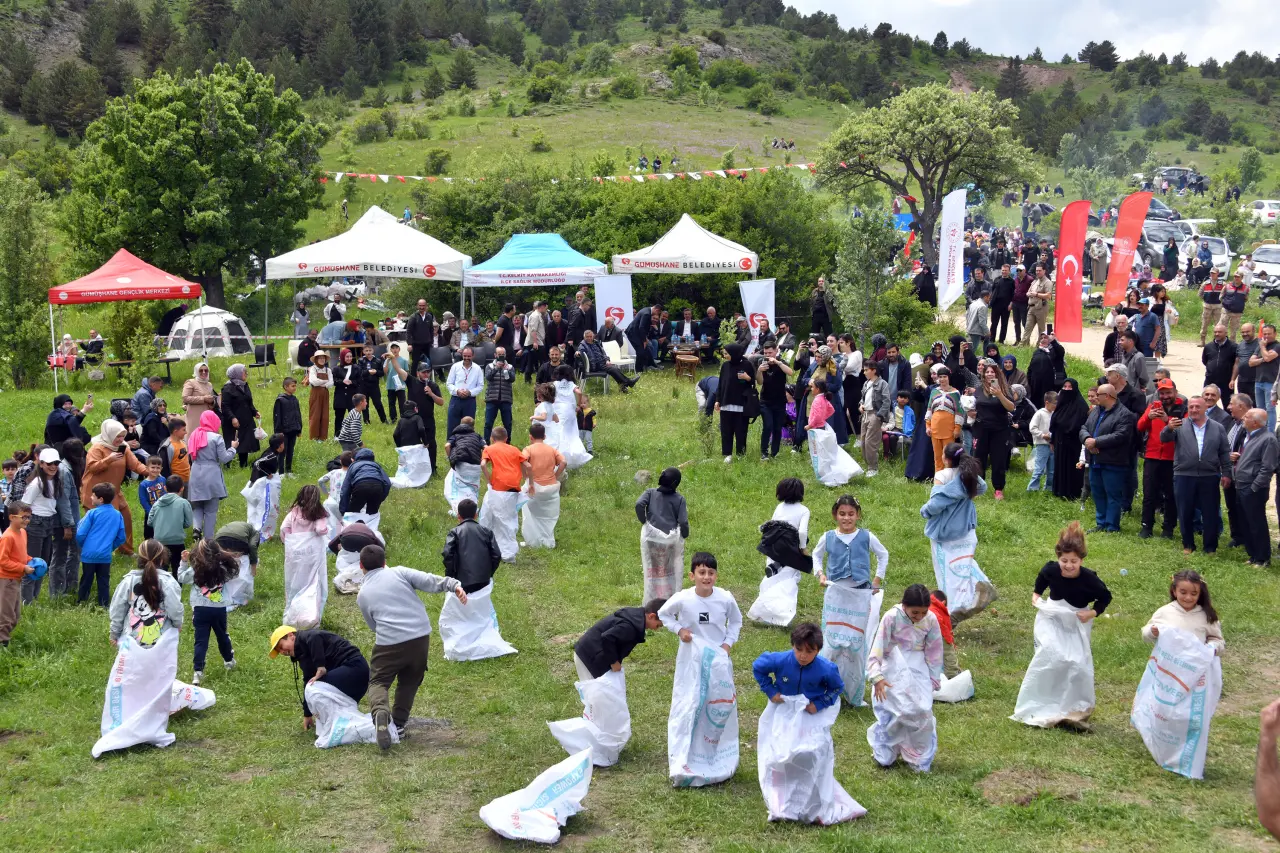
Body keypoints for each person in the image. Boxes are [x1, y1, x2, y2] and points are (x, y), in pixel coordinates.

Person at [356, 543, 466, 748]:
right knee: (409, 681)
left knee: (378, 681)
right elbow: (429, 580)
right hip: (419, 637)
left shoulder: (363, 594)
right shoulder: (399, 572)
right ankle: (398, 725)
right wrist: (453, 585)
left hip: (388, 643)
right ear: (385, 562)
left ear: (361, 565)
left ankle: (380, 712)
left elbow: (373, 626)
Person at [1020, 522, 1111, 730]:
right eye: (1064, 561)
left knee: (1076, 662)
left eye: (1074, 561)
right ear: (1058, 558)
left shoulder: (1090, 580)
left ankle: (1074, 708)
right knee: (1052, 654)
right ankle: (1043, 699)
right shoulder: (1052, 570)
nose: (1069, 566)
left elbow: (1105, 597)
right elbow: (1042, 578)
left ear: (1081, 560)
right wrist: (1036, 594)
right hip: (1053, 617)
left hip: (1076, 620)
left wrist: (1092, 613)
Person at [866, 584, 943, 770]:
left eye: (923, 612)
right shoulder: (892, 617)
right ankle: (886, 749)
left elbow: (934, 650)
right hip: (893, 664)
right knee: (894, 711)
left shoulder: (931, 620)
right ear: (904, 605)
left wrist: (934, 678)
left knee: (921, 710)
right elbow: (878, 648)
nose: (919, 617)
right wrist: (876, 676)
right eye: (915, 612)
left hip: (918, 666)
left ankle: (917, 755)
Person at [1161, 396, 1231, 556]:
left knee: (1210, 512)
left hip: (1209, 475)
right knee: (1185, 511)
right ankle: (1188, 545)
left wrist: (1227, 473)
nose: (1194, 410)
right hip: (1184, 474)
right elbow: (1164, 438)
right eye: (1191, 407)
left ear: (1205, 408)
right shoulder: (1179, 424)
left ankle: (1210, 547)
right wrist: (1168, 428)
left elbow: (1224, 452)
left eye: (1197, 407)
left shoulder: (1218, 427)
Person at [269, 626, 370, 734]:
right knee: (312, 687)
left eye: (281, 646)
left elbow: (315, 636)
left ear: (291, 636)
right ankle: (347, 728)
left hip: (354, 667)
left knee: (315, 688)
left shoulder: (305, 636)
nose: (282, 652)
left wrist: (320, 666)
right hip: (352, 677)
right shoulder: (303, 655)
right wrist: (307, 714)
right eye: (279, 651)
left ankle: (332, 726)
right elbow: (308, 680)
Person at [81, 420, 148, 555]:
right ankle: (98, 551)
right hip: (97, 494)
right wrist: (109, 459)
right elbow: (93, 467)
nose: (121, 439)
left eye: (123, 436)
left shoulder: (123, 448)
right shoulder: (97, 448)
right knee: (102, 524)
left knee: (126, 517)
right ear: (109, 435)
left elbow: (135, 464)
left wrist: (149, 472)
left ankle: (125, 550)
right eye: (118, 436)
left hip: (114, 491)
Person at [179, 538, 241, 684]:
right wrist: (225, 558)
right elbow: (235, 574)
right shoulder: (222, 568)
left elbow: (181, 578)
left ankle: (198, 672)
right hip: (219, 609)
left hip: (200, 610)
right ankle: (229, 661)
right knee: (222, 635)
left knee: (201, 641)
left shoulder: (195, 569)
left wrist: (184, 562)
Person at [659, 551, 742, 654]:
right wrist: (679, 630)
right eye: (702, 573)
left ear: (716, 576)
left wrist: (727, 643)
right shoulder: (682, 598)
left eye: (711, 573)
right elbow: (663, 614)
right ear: (692, 576)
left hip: (718, 653)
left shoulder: (725, 598)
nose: (707, 577)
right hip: (690, 654)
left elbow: (736, 621)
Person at [1080, 383, 1136, 533]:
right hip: (1095, 460)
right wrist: (1087, 439)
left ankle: (1112, 526)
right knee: (1098, 493)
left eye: (1098, 394)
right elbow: (1084, 427)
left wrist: (1097, 442)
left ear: (1107, 396)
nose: (1095, 397)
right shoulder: (1096, 411)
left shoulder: (1124, 414)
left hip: (1113, 461)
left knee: (1112, 494)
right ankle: (1101, 522)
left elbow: (1121, 435)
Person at [753, 622, 844, 713]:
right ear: (793, 645)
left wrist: (820, 703)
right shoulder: (780, 660)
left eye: (809, 651)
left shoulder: (827, 669)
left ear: (818, 650)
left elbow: (837, 687)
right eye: (799, 649)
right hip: (782, 706)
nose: (803, 656)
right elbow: (758, 667)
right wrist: (770, 691)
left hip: (810, 710)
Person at [1136, 380, 1185, 539]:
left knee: (1171, 494)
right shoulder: (1153, 406)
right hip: (1153, 456)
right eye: (1162, 393)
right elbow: (1140, 426)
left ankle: (1168, 528)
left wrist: (1166, 419)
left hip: (1173, 458)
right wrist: (1148, 417)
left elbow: (1185, 431)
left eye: (1168, 392)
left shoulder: (1183, 408)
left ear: (1175, 392)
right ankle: (1146, 526)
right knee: (1149, 493)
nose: (1165, 396)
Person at [572, 599, 666, 682]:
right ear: (651, 616)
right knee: (594, 692)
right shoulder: (629, 627)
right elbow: (607, 637)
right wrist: (613, 662)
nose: (656, 629)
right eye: (658, 625)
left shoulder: (634, 617)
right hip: (588, 656)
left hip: (592, 652)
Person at [636, 467, 689, 602]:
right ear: (676, 483)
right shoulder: (679, 499)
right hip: (671, 542)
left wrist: (645, 522)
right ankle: (670, 600)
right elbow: (683, 521)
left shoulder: (650, 493)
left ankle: (653, 600)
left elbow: (639, 504)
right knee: (670, 571)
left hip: (652, 540)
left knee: (653, 571)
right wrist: (684, 534)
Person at [1233, 407, 1278, 567]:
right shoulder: (1249, 436)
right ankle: (1253, 555)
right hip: (1242, 486)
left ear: (1256, 422)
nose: (1243, 418)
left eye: (1247, 416)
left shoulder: (1268, 439)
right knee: (1246, 522)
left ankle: (1262, 558)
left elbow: (1267, 467)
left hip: (1253, 489)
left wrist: (1255, 486)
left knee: (1256, 524)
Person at [1143, 569, 1224, 655]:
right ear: (1174, 591)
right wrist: (1152, 632)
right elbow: (1146, 635)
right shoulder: (1164, 612)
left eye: (1193, 594)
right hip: (1169, 661)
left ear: (1200, 594)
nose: (1188, 597)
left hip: (1196, 662)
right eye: (1183, 592)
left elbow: (1217, 640)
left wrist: (1212, 648)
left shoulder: (1206, 616)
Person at [186, 411, 238, 539]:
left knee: (197, 505)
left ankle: (197, 528)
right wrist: (233, 448)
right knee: (210, 510)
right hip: (211, 474)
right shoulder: (216, 438)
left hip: (195, 472)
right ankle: (208, 540)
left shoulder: (194, 435)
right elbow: (224, 458)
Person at [478, 427, 524, 562]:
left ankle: (500, 551)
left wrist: (489, 480)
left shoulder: (489, 449)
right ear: (506, 438)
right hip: (513, 488)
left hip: (498, 487)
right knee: (508, 518)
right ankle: (507, 550)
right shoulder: (514, 449)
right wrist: (529, 482)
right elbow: (527, 465)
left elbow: (483, 464)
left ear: (492, 438)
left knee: (493, 516)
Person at [973, 361, 1016, 500]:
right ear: (983, 375)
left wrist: (999, 395)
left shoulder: (1005, 388)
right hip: (981, 428)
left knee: (998, 459)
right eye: (987, 372)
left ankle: (998, 489)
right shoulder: (978, 389)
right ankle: (978, 487)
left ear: (997, 374)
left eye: (992, 372)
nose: (989, 374)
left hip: (999, 430)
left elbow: (1011, 408)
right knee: (979, 459)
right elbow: (974, 406)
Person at [441, 498, 502, 596]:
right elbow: (497, 555)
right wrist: (488, 573)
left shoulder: (454, 533)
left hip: (461, 581)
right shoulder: (487, 532)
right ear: (476, 515)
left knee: (461, 604)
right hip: (483, 581)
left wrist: (451, 576)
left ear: (458, 516)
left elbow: (448, 554)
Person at [520, 422, 565, 548]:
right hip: (551, 488)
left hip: (535, 486)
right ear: (544, 436)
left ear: (530, 437)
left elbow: (522, 460)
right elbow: (564, 462)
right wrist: (556, 476)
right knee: (548, 517)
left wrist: (526, 476)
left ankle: (532, 541)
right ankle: (547, 541)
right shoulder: (552, 450)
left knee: (530, 514)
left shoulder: (528, 449)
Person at [395, 360, 444, 474]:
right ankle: (414, 468)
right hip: (413, 419)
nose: (426, 374)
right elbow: (399, 370)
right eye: (423, 372)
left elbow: (441, 402)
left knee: (431, 444)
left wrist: (431, 394)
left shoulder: (433, 385)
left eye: (428, 372)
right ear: (418, 373)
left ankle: (432, 468)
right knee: (414, 445)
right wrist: (393, 358)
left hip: (428, 420)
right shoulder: (412, 381)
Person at [1050, 379, 1089, 501]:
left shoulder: (1080, 405)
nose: (1066, 389)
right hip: (1060, 441)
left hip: (1073, 443)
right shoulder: (1061, 403)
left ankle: (1073, 493)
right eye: (1065, 386)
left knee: (1072, 467)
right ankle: (1059, 490)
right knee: (1060, 465)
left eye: (1070, 387)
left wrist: (1065, 428)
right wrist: (1052, 440)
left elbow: (1078, 424)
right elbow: (1055, 422)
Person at [0, 501, 33, 646]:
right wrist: (23, 568)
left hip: (16, 579)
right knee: (6, 615)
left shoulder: (23, 532)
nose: (27, 520)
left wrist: (30, 560)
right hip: (6, 580)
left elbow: (20, 554)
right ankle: (3, 643)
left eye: (29, 517)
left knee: (15, 614)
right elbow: (3, 561)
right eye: (23, 517)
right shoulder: (8, 537)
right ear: (12, 517)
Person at [714, 343, 754, 463]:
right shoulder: (725, 366)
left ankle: (741, 454)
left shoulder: (747, 364)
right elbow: (721, 384)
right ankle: (727, 454)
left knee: (741, 430)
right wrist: (717, 400)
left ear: (734, 353)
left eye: (727, 353)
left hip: (741, 403)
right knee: (726, 431)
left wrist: (747, 378)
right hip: (726, 402)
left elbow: (753, 383)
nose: (725, 356)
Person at [147, 475, 191, 575]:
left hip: (159, 541)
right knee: (178, 569)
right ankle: (177, 584)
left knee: (161, 569)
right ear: (182, 488)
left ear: (165, 488)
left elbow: (149, 522)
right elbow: (188, 523)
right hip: (177, 540)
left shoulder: (157, 503)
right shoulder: (184, 503)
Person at [220, 364, 259, 468]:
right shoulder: (227, 388)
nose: (246, 373)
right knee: (231, 441)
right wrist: (233, 418)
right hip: (232, 421)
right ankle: (227, 465)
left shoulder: (245, 385)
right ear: (236, 373)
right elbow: (225, 406)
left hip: (245, 419)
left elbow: (249, 402)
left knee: (244, 442)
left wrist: (254, 412)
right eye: (243, 371)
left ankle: (243, 465)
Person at [859, 361, 890, 477]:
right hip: (865, 414)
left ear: (874, 370)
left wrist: (879, 416)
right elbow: (863, 398)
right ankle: (868, 465)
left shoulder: (883, 384)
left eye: (866, 370)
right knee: (863, 441)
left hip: (874, 414)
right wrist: (861, 405)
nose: (864, 372)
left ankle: (873, 467)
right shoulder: (866, 383)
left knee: (870, 442)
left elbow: (887, 402)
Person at [339, 448, 391, 516]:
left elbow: (345, 489)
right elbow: (388, 483)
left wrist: (343, 510)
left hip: (360, 485)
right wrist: (380, 498)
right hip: (378, 487)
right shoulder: (376, 465)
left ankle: (353, 520)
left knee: (353, 512)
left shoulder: (353, 465)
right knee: (372, 514)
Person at [446, 346, 483, 439]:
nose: (466, 358)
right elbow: (449, 383)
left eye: (469, 356)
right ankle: (451, 446)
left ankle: (467, 445)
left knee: (468, 428)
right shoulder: (455, 366)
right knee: (452, 426)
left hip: (469, 401)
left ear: (473, 356)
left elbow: (480, 386)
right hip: (456, 400)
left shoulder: (477, 369)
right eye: (464, 356)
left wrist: (470, 392)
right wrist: (457, 391)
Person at [482, 348, 515, 444]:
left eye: (503, 354)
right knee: (488, 423)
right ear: (495, 355)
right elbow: (488, 377)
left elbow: (512, 379)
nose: (501, 356)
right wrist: (496, 368)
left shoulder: (510, 366)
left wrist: (506, 370)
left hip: (506, 398)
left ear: (505, 355)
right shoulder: (489, 366)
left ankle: (507, 444)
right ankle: (486, 444)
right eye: (499, 354)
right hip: (492, 398)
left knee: (508, 423)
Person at [1251, 325, 1280, 433]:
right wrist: (1264, 358)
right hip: (1258, 381)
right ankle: (1261, 432)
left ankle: (1270, 433)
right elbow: (1251, 362)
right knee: (1260, 409)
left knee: (1270, 409)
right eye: (1265, 334)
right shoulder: (1260, 346)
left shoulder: (1277, 346)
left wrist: (1263, 348)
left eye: (1269, 334)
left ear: (1275, 334)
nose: (1266, 336)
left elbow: (1268, 358)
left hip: (1271, 382)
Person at [271, 377, 302, 475]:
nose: (294, 388)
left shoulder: (295, 399)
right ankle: (281, 473)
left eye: (295, 386)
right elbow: (277, 417)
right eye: (292, 386)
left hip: (293, 430)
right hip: (283, 432)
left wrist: (299, 429)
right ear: (286, 387)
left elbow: (298, 414)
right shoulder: (280, 400)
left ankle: (288, 471)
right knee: (282, 452)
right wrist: (278, 432)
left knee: (290, 451)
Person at [305, 351, 335, 442]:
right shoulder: (313, 369)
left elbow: (331, 382)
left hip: (325, 393)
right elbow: (313, 381)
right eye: (320, 358)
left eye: (323, 358)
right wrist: (325, 381)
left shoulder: (328, 370)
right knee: (315, 414)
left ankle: (322, 437)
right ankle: (314, 436)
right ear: (316, 359)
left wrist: (323, 384)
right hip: (315, 393)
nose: (322, 360)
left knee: (324, 415)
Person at [355, 344, 388, 424]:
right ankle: (366, 421)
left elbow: (382, 373)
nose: (368, 352)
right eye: (366, 351)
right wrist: (368, 371)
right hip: (363, 385)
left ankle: (384, 420)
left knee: (378, 403)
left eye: (370, 350)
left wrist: (376, 372)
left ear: (373, 351)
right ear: (363, 352)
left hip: (374, 385)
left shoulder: (378, 360)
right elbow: (359, 373)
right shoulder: (361, 361)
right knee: (364, 403)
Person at [1021, 264, 1053, 345]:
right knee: (1027, 327)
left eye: (1039, 270)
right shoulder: (1035, 281)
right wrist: (1028, 294)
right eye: (1036, 270)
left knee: (1041, 329)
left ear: (1044, 271)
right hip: (1031, 307)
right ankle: (1023, 344)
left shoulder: (1048, 282)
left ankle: (1040, 345)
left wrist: (1036, 294)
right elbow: (1028, 291)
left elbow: (1048, 296)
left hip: (1041, 308)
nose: (1037, 272)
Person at [136, 456, 166, 541]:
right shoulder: (143, 484)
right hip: (151, 512)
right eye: (153, 467)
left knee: (162, 531)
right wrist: (150, 512)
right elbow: (143, 500)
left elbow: (166, 494)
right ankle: (149, 546)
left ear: (161, 469)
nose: (155, 470)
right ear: (147, 468)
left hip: (163, 511)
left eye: (158, 468)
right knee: (149, 534)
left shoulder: (162, 479)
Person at [1203, 324, 1236, 396]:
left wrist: (1232, 379)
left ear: (1226, 333)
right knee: (1207, 400)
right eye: (1215, 332)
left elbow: (1236, 364)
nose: (1217, 334)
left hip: (1226, 381)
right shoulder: (1208, 346)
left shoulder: (1233, 347)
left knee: (1228, 402)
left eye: (1220, 332)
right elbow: (1205, 361)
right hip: (1210, 380)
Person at [332, 348, 359, 436]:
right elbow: (333, 381)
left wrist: (352, 382)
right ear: (342, 357)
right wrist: (342, 381)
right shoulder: (336, 369)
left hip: (352, 395)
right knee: (339, 417)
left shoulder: (356, 368)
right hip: (340, 396)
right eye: (347, 357)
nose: (349, 358)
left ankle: (353, 435)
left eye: (350, 356)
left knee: (353, 417)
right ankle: (337, 435)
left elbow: (359, 381)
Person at [405, 299, 436, 368]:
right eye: (420, 305)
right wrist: (409, 344)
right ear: (417, 306)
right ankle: (413, 375)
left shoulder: (429, 316)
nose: (422, 307)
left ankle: (439, 374)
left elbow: (431, 330)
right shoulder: (413, 317)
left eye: (423, 305)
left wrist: (431, 341)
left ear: (426, 306)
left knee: (434, 360)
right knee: (415, 363)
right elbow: (408, 331)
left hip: (427, 344)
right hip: (416, 344)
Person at [383, 344, 409, 423]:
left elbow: (406, 372)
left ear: (399, 349)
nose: (395, 350)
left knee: (402, 402)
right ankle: (393, 418)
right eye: (393, 348)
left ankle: (403, 417)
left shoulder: (403, 360)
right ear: (390, 350)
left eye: (396, 348)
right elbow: (385, 371)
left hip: (400, 384)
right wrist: (387, 360)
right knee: (391, 403)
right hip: (391, 385)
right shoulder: (388, 360)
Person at [524, 301, 548, 382]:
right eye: (546, 308)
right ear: (542, 307)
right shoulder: (535, 316)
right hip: (535, 342)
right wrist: (535, 342)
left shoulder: (538, 315)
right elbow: (533, 330)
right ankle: (538, 379)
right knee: (539, 361)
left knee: (532, 361)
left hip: (538, 341)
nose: (546, 310)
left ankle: (530, 379)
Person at [1222, 271, 1249, 341]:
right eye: (1235, 276)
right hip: (1226, 311)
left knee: (1233, 331)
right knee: (1222, 328)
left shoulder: (1246, 288)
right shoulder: (1227, 286)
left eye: (1238, 277)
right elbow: (1221, 296)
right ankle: (1222, 343)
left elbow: (1246, 299)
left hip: (1237, 312)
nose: (1236, 278)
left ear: (1242, 278)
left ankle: (1232, 344)